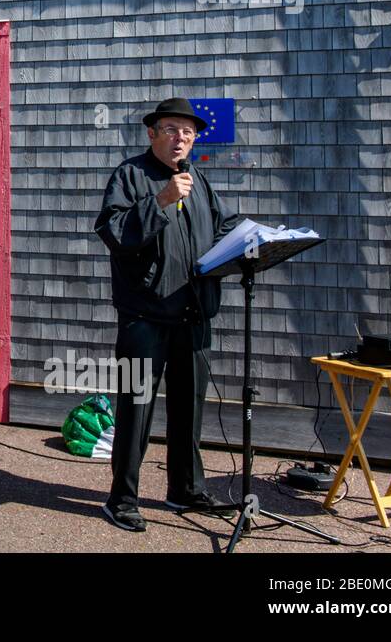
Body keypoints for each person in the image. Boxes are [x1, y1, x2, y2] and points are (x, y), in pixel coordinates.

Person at [93, 97, 242, 532]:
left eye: (188, 132)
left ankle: (185, 490)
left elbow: (224, 227)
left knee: (188, 407)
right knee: (136, 407)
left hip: (192, 314)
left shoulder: (198, 179)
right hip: (144, 316)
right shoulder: (130, 175)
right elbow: (114, 232)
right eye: (172, 129)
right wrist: (160, 199)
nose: (181, 138)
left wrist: (252, 240)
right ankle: (121, 499)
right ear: (152, 133)